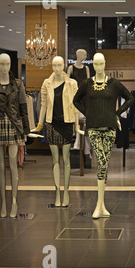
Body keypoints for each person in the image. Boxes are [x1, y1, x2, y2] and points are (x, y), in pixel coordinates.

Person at [0, 53, 38, 218]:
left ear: (10, 65)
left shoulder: (18, 85)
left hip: (13, 126)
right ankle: (3, 201)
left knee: (12, 166)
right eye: (2, 64)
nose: (4, 67)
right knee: (0, 167)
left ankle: (14, 202)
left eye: (7, 64)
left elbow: (24, 109)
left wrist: (26, 131)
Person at [73, 52, 134, 219]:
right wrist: (88, 113)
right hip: (93, 127)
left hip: (109, 127)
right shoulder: (87, 84)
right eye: (96, 64)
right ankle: (99, 205)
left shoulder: (114, 84)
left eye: (101, 64)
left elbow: (130, 98)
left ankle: (101, 205)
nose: (99, 67)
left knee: (104, 164)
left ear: (105, 64)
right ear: (93, 64)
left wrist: (117, 113)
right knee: (101, 162)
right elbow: (75, 100)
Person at [34, 56, 83, 207]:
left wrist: (76, 126)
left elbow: (75, 106)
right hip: (52, 124)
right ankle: (57, 193)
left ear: (64, 65)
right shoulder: (46, 83)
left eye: (59, 65)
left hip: (67, 124)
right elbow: (43, 105)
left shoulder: (72, 83)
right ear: (52, 66)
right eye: (54, 65)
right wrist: (40, 124)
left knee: (66, 160)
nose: (56, 68)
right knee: (55, 161)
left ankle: (66, 192)